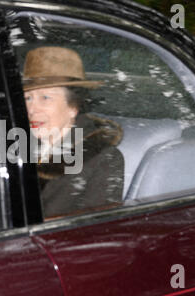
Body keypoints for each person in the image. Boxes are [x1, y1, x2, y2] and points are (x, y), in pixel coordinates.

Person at [22, 46, 124, 218]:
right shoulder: (17, 146)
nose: (31, 109)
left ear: (73, 107)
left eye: (45, 98)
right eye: (28, 98)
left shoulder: (102, 158)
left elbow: (95, 227)